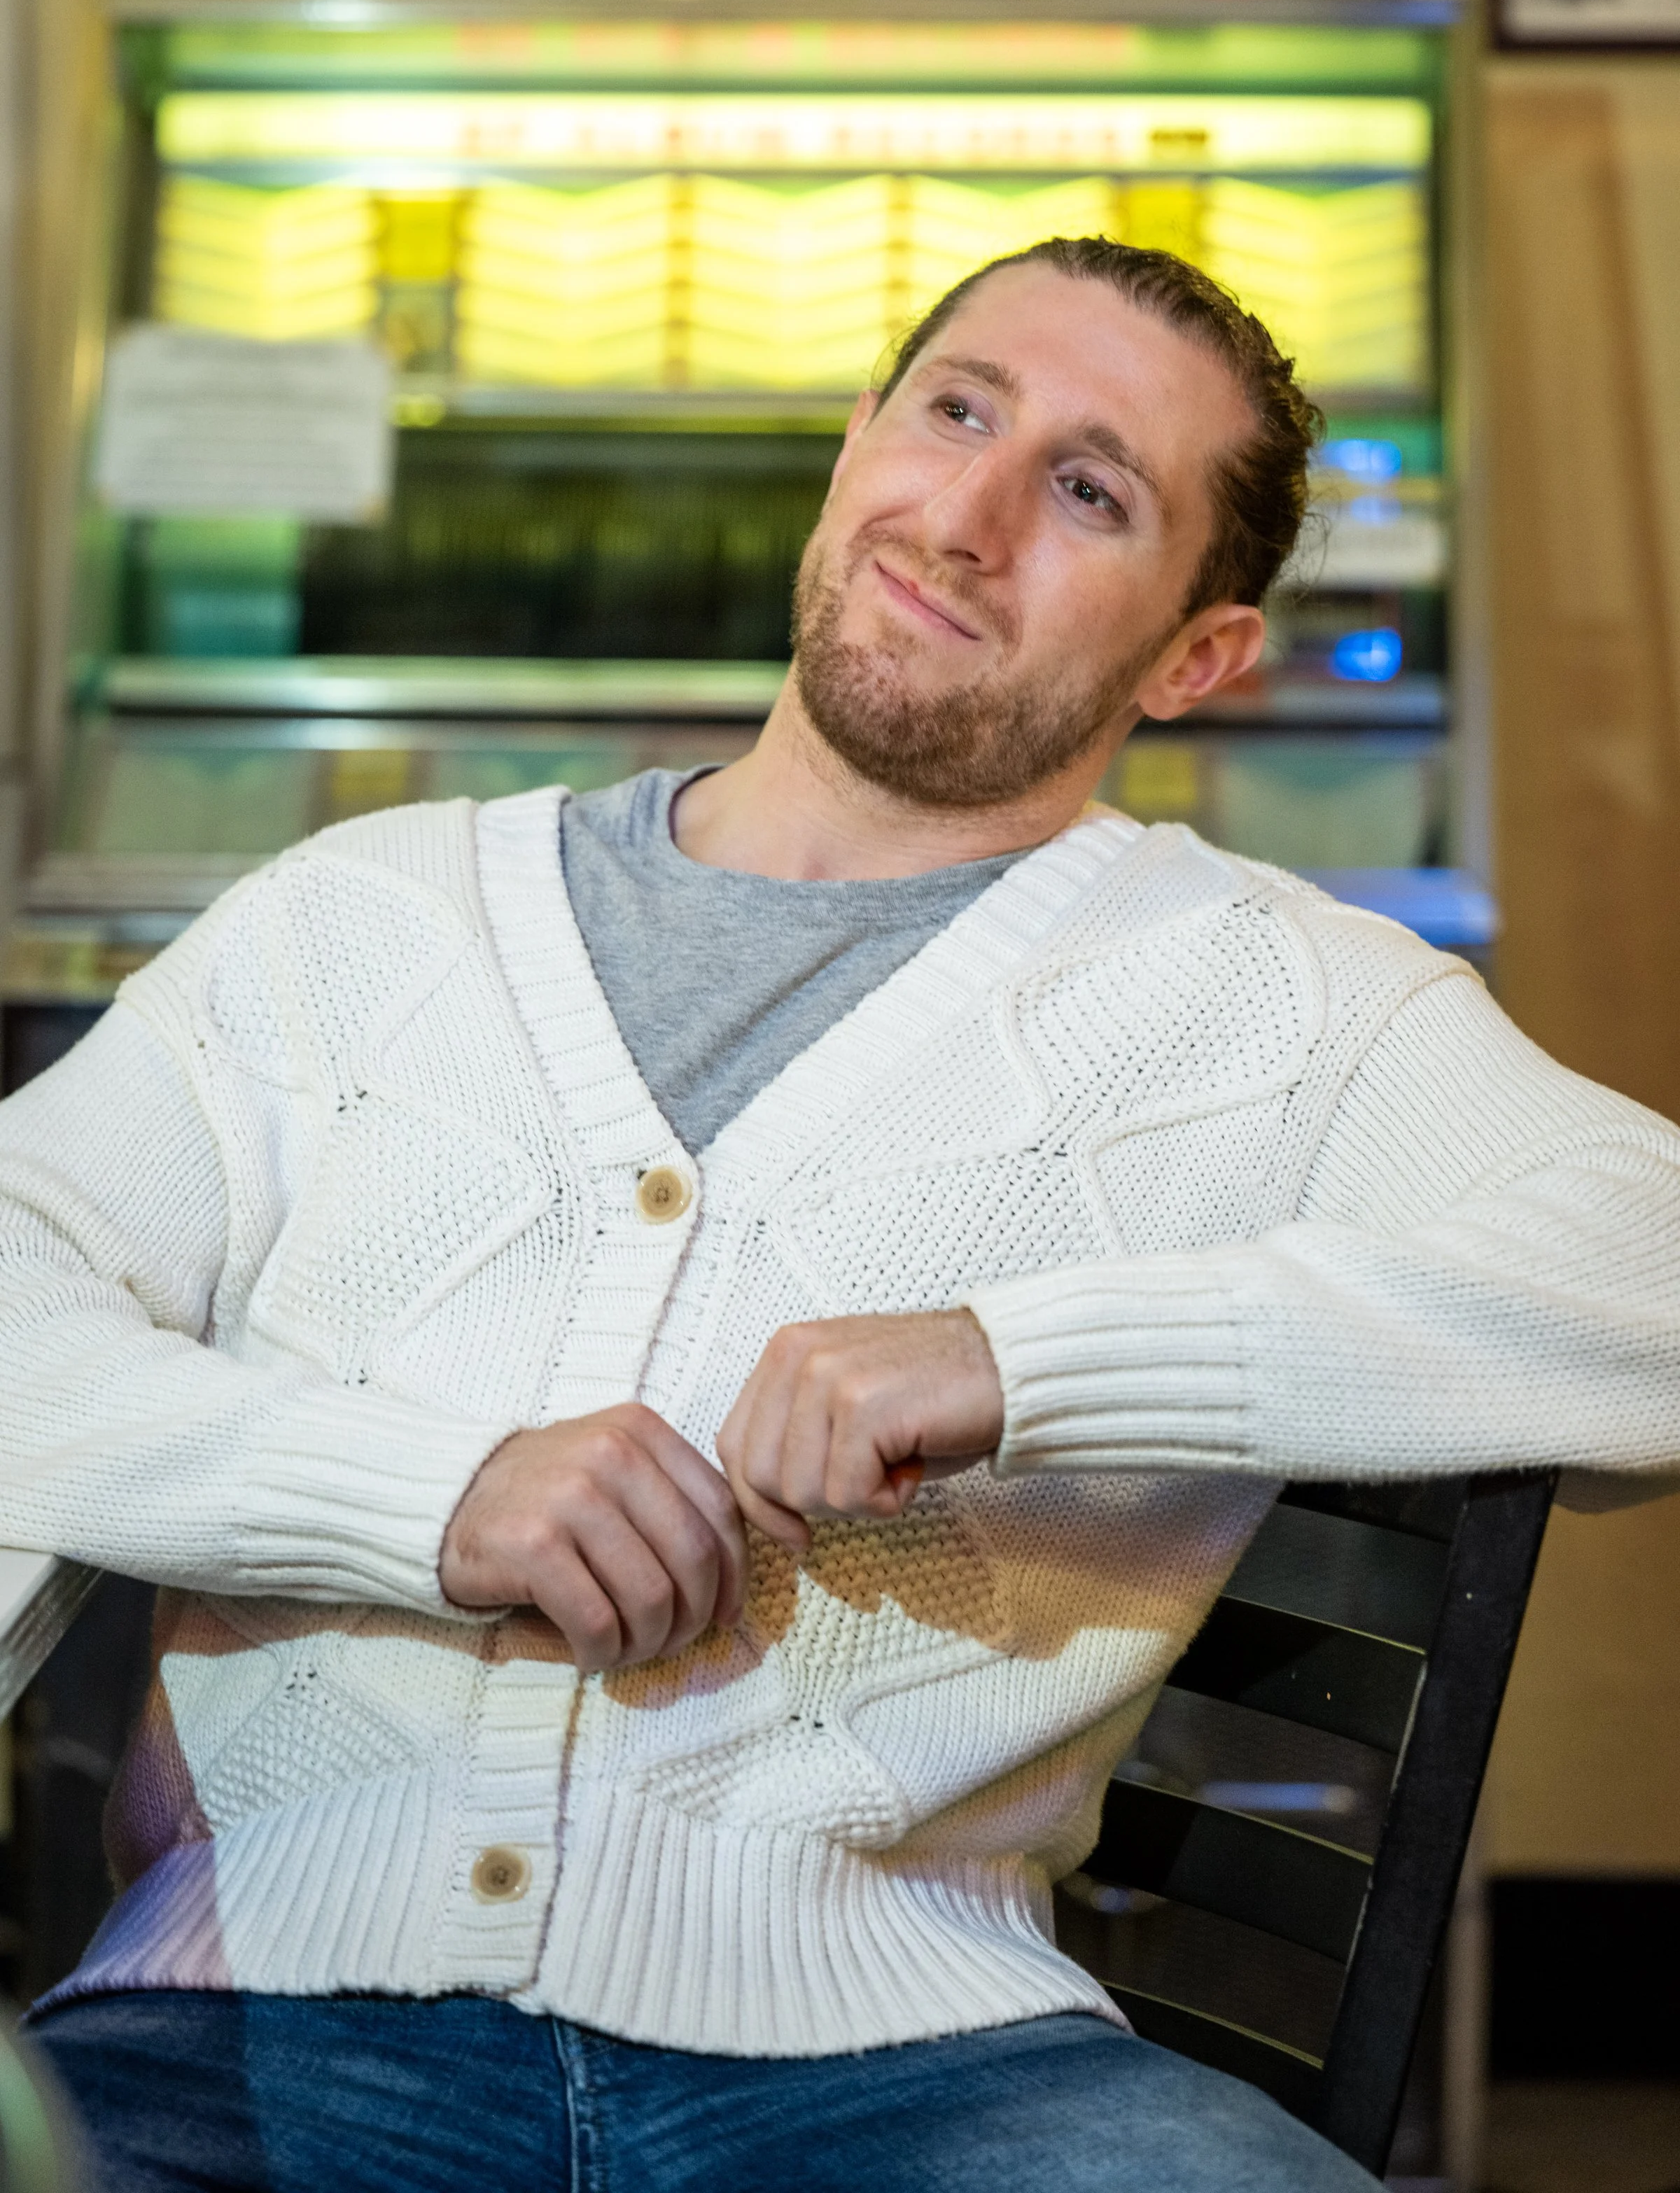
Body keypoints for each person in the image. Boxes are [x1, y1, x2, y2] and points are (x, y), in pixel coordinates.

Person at [8, 237, 1680, 2193]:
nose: (966, 519)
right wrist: (428, 1497)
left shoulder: (1278, 996)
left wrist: (1018, 1363)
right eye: (954, 410)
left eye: (1089, 490)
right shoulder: (353, 916)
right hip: (246, 2031)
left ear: (1198, 655)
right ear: (854, 442)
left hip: (923, 2082)